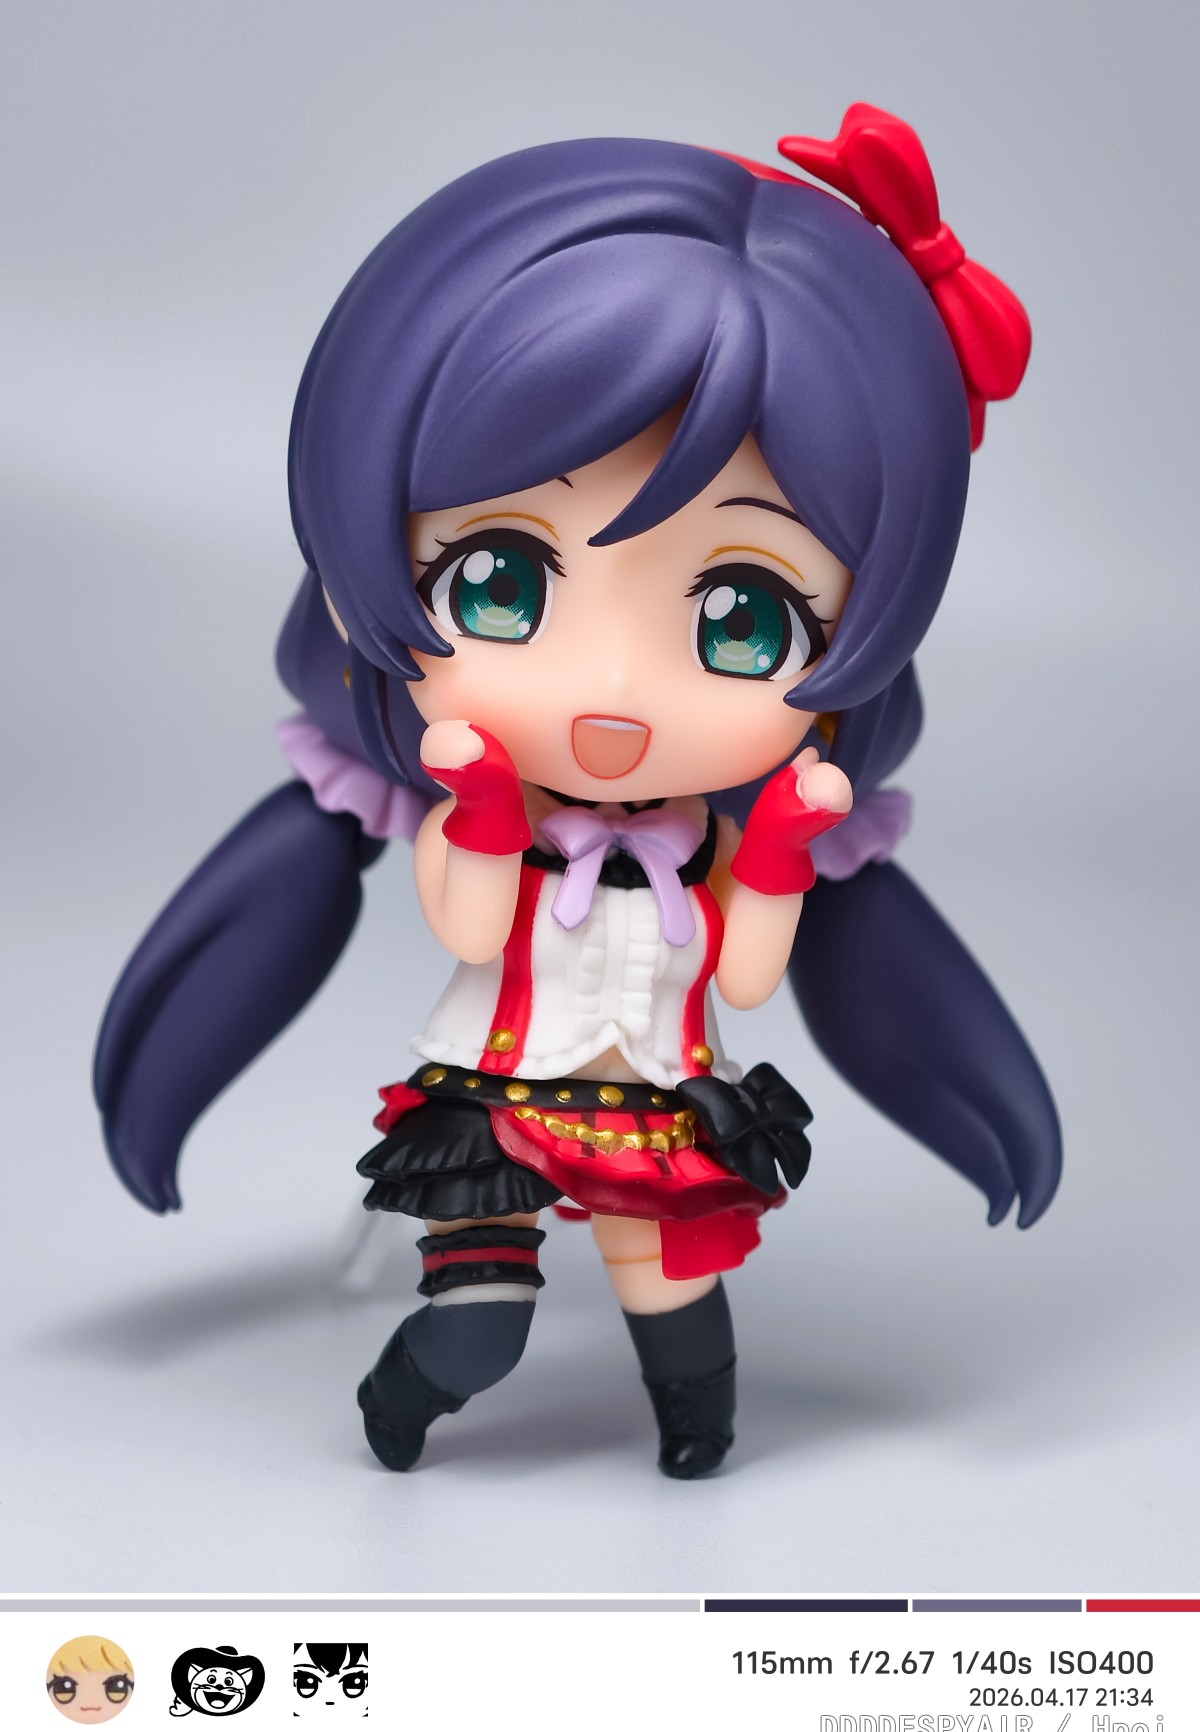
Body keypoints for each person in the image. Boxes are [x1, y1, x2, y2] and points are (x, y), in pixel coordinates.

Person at [95, 106, 1061, 1479]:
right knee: (480, 1325)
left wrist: (777, 852)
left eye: (743, 620)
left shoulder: (703, 838)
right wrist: (489, 813)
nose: (613, 691)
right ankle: (399, 1402)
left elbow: (744, 978)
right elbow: (470, 924)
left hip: (659, 1105)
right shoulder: (492, 808)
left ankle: (695, 1433)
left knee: (679, 1307)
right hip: (496, 1100)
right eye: (498, 581)